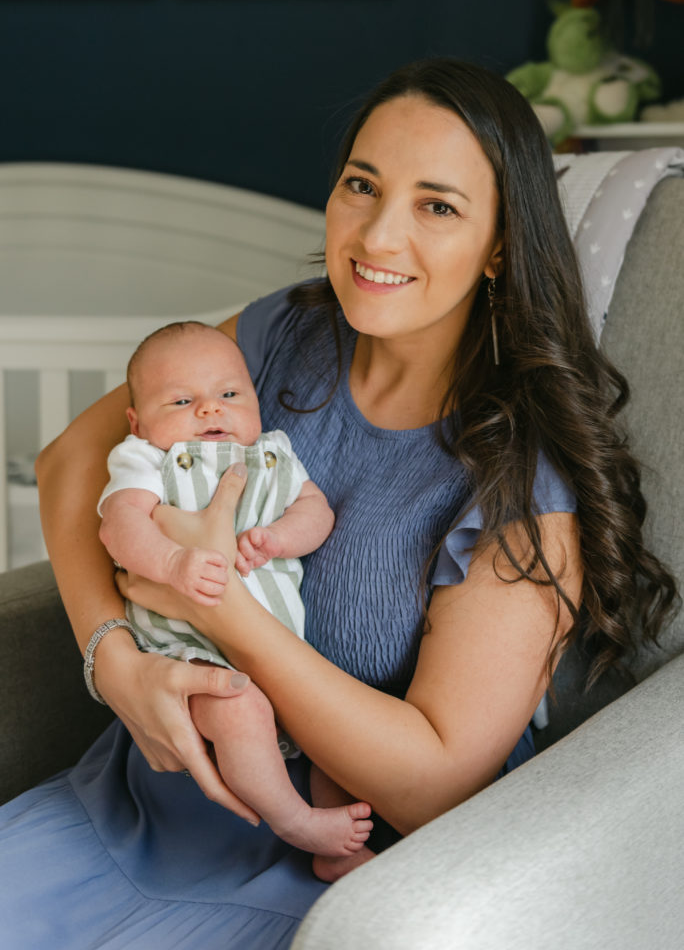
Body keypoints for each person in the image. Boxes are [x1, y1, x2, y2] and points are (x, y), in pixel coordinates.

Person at [0, 58, 676, 949]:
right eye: (363, 185)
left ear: (502, 245)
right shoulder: (283, 332)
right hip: (134, 808)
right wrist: (115, 662)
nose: (378, 236)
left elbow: (436, 779)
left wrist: (220, 608)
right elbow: (68, 461)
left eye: (437, 206)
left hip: (328, 870)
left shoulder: (518, 474)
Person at [97, 320, 372, 863]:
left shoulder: (273, 455)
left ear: (254, 401)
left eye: (228, 394)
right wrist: (173, 562)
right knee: (239, 709)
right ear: (138, 422)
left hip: (282, 650)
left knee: (334, 734)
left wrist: (279, 538)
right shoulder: (145, 459)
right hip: (190, 649)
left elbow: (316, 511)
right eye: (181, 400)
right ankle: (295, 821)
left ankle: (337, 857)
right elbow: (119, 525)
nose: (209, 409)